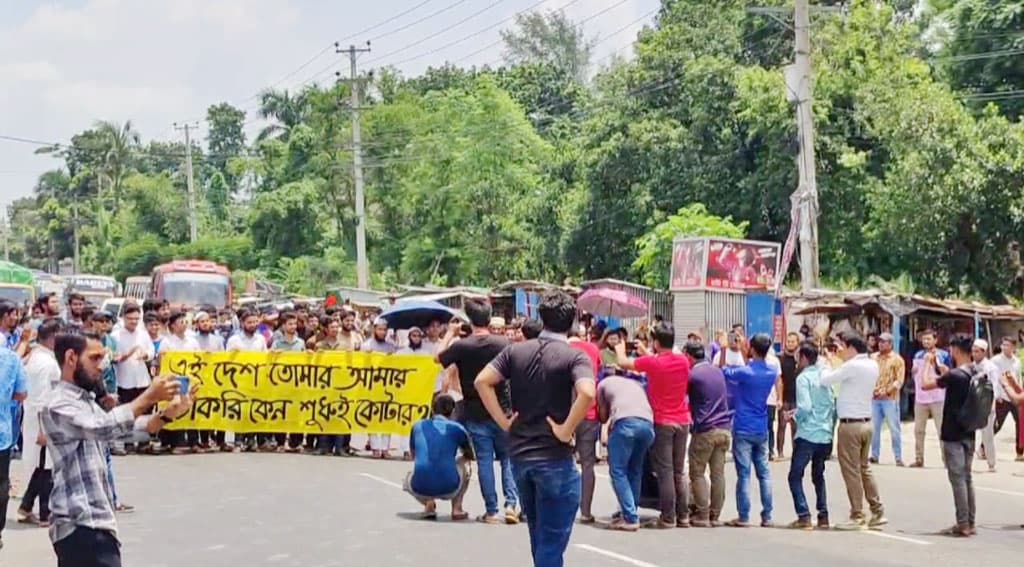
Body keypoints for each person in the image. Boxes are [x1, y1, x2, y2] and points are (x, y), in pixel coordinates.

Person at [42, 332, 193, 566]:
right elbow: (102, 427)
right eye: (94, 358)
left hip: (94, 523)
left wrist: (164, 416)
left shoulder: (85, 400)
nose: (102, 366)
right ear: (71, 358)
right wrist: (149, 396)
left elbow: (118, 430)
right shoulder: (58, 403)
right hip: (81, 523)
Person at [475, 290, 596, 567]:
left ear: (541, 318)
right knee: (551, 544)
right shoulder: (574, 357)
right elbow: (587, 392)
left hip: (521, 457)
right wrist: (566, 430)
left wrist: (504, 420)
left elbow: (483, 381)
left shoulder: (515, 351)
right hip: (555, 458)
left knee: (539, 538)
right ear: (573, 321)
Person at [437, 300, 520, 524]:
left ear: (470, 319)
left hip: (475, 411)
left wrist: (450, 333)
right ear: (490, 317)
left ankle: (491, 511)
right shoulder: (504, 343)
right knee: (508, 460)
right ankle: (511, 505)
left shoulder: (463, 345)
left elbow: (438, 358)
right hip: (503, 410)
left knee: (484, 461)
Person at [615, 320, 693, 529]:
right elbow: (660, 362)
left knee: (665, 471)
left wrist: (621, 348)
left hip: (662, 421)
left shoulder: (654, 363)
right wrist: (646, 352)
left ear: (656, 342)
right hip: (683, 420)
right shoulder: (683, 361)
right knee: (679, 471)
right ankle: (683, 515)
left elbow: (623, 363)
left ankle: (668, 517)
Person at [821, 331, 887, 531]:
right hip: (867, 422)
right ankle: (877, 509)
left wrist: (827, 362)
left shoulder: (853, 365)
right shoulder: (871, 364)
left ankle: (857, 514)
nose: (839, 350)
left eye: (842, 346)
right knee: (864, 468)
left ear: (851, 347)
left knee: (851, 471)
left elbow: (826, 379)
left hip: (851, 425)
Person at [919, 334, 982, 537]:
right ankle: (970, 522)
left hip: (953, 432)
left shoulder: (954, 376)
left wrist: (928, 364)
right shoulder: (976, 371)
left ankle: (962, 523)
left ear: (955, 349)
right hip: (970, 430)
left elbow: (925, 384)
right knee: (967, 477)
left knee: (957, 479)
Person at [719, 333, 776, 528]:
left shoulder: (745, 372)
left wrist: (724, 348)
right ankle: (767, 515)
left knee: (744, 474)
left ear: (752, 349)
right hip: (761, 426)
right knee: (764, 474)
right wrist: (746, 350)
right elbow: (750, 367)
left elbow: (723, 370)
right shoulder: (771, 372)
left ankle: (744, 515)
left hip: (743, 426)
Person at [597, 361, 654, 531]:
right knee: (635, 470)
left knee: (618, 471)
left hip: (626, 424)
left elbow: (602, 415)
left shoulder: (603, 384)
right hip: (648, 425)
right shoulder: (635, 384)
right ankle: (630, 510)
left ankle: (629, 516)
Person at [786, 341, 835, 530]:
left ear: (804, 357)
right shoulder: (825, 374)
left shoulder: (803, 378)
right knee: (818, 475)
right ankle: (823, 515)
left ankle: (803, 515)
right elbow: (831, 402)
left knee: (795, 475)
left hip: (808, 434)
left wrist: (795, 415)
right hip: (825, 433)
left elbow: (805, 407)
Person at [18, 319, 62, 527]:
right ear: (53, 337)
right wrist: (44, 430)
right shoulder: (45, 363)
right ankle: (45, 513)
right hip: (41, 421)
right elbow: (42, 399)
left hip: (36, 418)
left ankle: (26, 506)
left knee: (42, 467)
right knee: (46, 469)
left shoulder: (37, 358)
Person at [683, 340, 732, 528]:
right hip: (724, 428)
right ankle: (715, 514)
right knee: (718, 473)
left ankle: (702, 513)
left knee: (697, 472)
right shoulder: (717, 371)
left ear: (688, 356)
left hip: (705, 429)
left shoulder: (693, 375)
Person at [404, 394, 473, 521]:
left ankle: (428, 504)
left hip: (419, 487)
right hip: (450, 487)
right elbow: (470, 455)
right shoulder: (457, 428)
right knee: (467, 465)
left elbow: (413, 455)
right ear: (453, 411)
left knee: (409, 476)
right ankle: (457, 508)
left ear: (432, 409)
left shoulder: (417, 426)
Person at [111, 304, 154, 454]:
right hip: (124, 379)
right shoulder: (116, 336)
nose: (134, 322)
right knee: (127, 412)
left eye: (136, 319)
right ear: (123, 318)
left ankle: (143, 443)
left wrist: (146, 355)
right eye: (130, 319)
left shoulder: (143, 334)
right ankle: (128, 443)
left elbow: (151, 351)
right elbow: (115, 357)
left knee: (144, 410)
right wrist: (128, 354)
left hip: (142, 378)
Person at [569, 330, 602, 524]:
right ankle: (586, 511)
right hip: (589, 412)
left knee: (563, 460)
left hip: (566, 413)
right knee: (588, 463)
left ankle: (564, 506)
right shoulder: (593, 349)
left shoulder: (561, 348)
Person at [157, 311, 200, 454]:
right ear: (172, 326)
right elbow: (162, 360)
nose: (184, 324)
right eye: (180, 322)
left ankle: (194, 441)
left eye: (185, 322)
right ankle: (174, 442)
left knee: (190, 408)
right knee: (174, 408)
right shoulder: (167, 341)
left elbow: (200, 359)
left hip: (190, 379)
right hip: (173, 380)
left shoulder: (192, 341)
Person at [226, 310, 267, 452]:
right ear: (243, 323)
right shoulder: (234, 340)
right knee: (240, 410)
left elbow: (265, 358)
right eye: (249, 322)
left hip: (256, 380)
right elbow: (225, 361)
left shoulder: (261, 339)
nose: (253, 325)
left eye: (255, 322)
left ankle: (251, 440)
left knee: (253, 410)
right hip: (239, 380)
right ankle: (238, 441)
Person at [911, 329, 951, 468]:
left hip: (938, 397)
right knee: (919, 430)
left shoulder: (943, 355)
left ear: (935, 340)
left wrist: (935, 364)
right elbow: (914, 374)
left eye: (929, 339)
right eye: (924, 339)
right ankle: (919, 458)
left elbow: (947, 374)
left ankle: (946, 460)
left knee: (941, 430)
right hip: (921, 397)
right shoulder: (918, 355)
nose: (926, 342)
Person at [271, 312, 306, 453]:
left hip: (297, 384)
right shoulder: (277, 344)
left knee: (296, 413)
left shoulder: (301, 343)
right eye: (290, 324)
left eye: (294, 323)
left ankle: (295, 442)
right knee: (281, 413)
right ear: (283, 326)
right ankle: (280, 442)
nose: (293, 326)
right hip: (281, 384)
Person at [364, 318, 397, 458]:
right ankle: (375, 447)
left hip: (387, 385)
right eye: (380, 329)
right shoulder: (366, 346)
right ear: (374, 329)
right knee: (373, 415)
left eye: (384, 329)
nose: (382, 332)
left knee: (386, 416)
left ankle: (385, 447)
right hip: (372, 385)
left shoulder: (391, 346)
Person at [871, 333, 905, 466]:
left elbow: (899, 380)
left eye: (884, 342)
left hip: (890, 399)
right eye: (879, 341)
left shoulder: (897, 360)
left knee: (894, 428)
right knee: (874, 428)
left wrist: (887, 391)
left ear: (890, 344)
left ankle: (898, 456)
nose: (881, 344)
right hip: (874, 398)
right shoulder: (873, 358)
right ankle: (874, 455)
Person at [991, 337, 1023, 462]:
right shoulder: (995, 361)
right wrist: (996, 395)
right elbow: (993, 379)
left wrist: (1019, 391)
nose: (1005, 347)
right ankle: (984, 446)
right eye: (1003, 345)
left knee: (1021, 425)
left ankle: (1019, 452)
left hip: (1016, 397)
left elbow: (1018, 377)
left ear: (1014, 347)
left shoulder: (1017, 361)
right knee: (997, 424)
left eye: (1008, 345)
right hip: (1002, 397)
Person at [971, 339, 1000, 472]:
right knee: (969, 434)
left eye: (977, 351)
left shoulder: (990, 367)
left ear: (984, 352)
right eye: (973, 351)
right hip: (972, 404)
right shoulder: (971, 366)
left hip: (986, 405)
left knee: (987, 435)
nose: (974, 354)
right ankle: (967, 462)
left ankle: (991, 463)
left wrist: (991, 405)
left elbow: (994, 387)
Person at [777, 332, 800, 459]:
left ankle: (795, 452)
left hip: (796, 397)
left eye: (793, 341)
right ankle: (780, 452)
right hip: (784, 396)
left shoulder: (800, 358)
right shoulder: (780, 358)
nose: (790, 343)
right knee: (782, 425)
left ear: (797, 343)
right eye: (788, 341)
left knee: (795, 427)